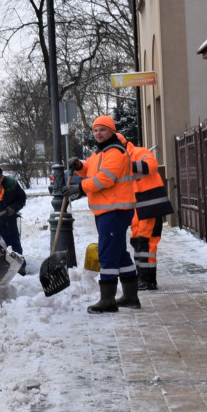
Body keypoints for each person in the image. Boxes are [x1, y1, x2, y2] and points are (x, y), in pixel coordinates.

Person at [66, 115, 136, 313]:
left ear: (112, 132)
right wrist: (80, 166)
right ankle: (131, 296)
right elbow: (91, 169)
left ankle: (108, 300)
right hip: (108, 210)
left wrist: (78, 188)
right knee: (120, 254)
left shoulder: (115, 152)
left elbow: (105, 179)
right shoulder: (100, 153)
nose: (98, 133)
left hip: (114, 210)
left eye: (102, 130)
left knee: (107, 254)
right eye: (95, 130)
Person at [115, 133, 174, 291]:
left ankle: (148, 280)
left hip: (150, 206)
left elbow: (152, 165)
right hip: (136, 208)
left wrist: (128, 166)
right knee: (137, 241)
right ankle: (141, 277)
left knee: (147, 242)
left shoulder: (140, 152)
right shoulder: (115, 160)